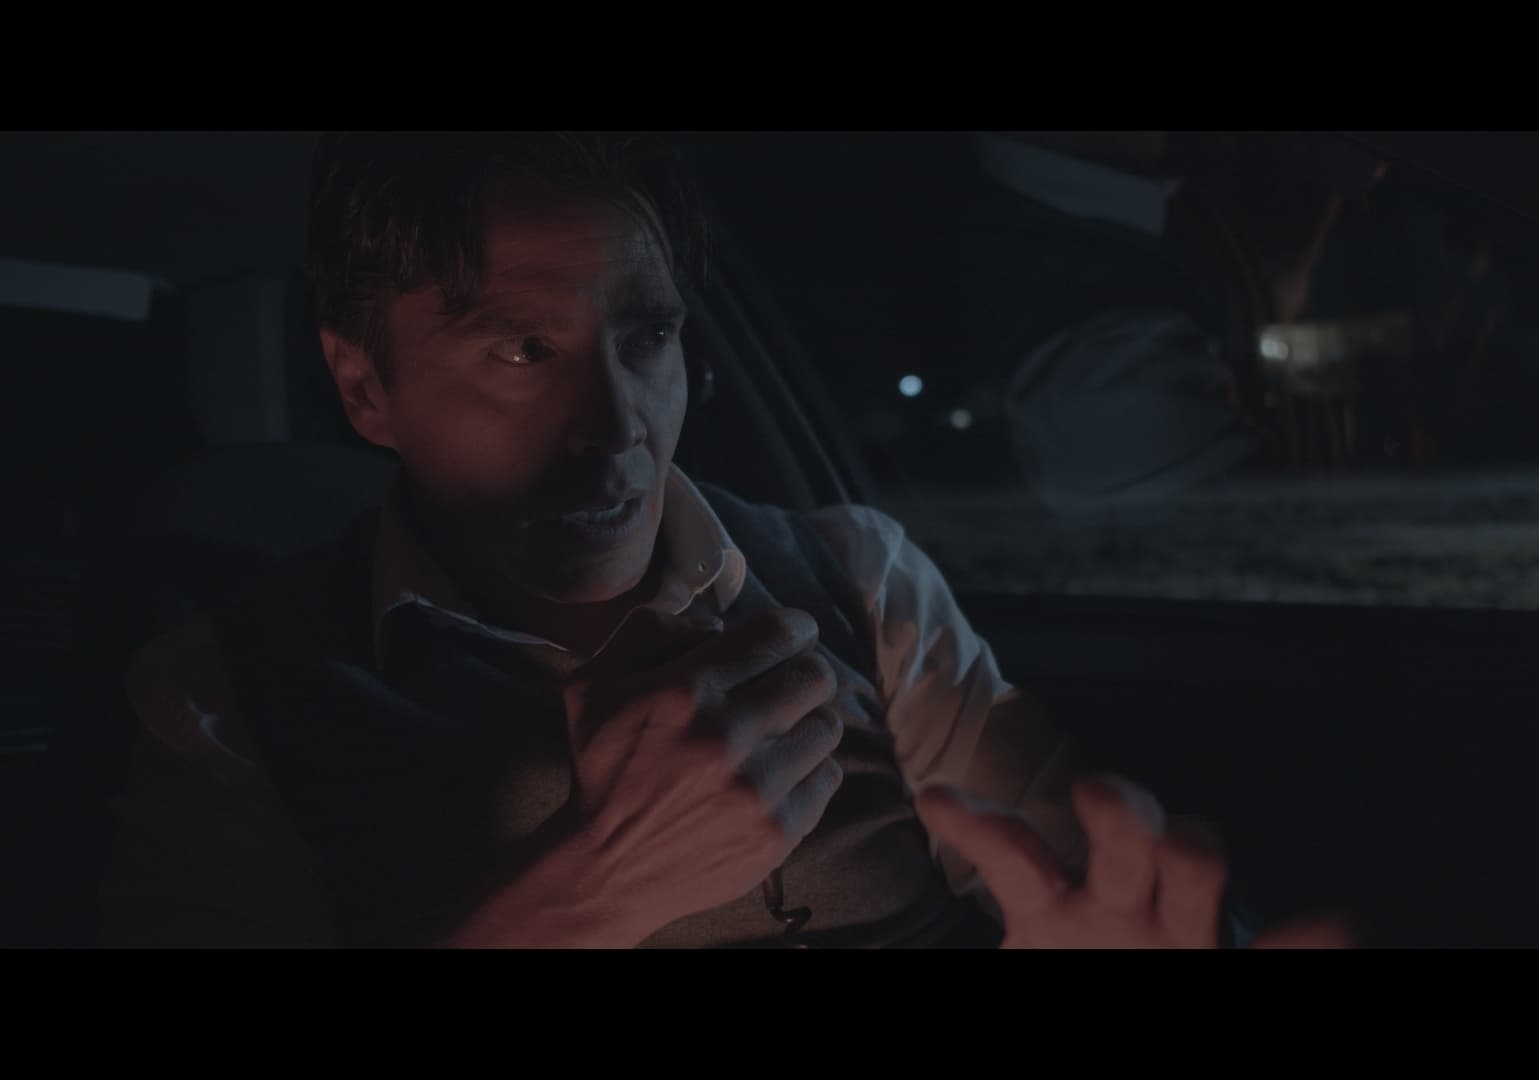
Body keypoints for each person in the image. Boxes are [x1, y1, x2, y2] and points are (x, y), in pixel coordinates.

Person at [100, 132, 1346, 948]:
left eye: (647, 336)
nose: (619, 430)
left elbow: (1066, 878)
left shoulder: (859, 580)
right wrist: (590, 890)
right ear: (364, 386)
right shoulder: (230, 696)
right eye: (522, 350)